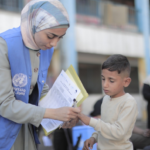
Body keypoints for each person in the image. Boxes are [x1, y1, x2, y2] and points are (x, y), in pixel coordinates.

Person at [0, 1, 80, 150]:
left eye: (60, 38)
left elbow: (39, 87)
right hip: (5, 133)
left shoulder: (45, 49)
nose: (54, 43)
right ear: (34, 25)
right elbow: (5, 105)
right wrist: (53, 113)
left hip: (28, 130)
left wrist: (64, 113)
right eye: (51, 36)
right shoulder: (4, 46)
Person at [78, 54, 138, 150]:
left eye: (111, 80)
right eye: (103, 79)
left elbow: (118, 132)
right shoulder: (106, 99)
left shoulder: (128, 102)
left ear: (126, 82)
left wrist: (90, 121)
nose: (105, 85)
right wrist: (94, 138)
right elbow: (104, 125)